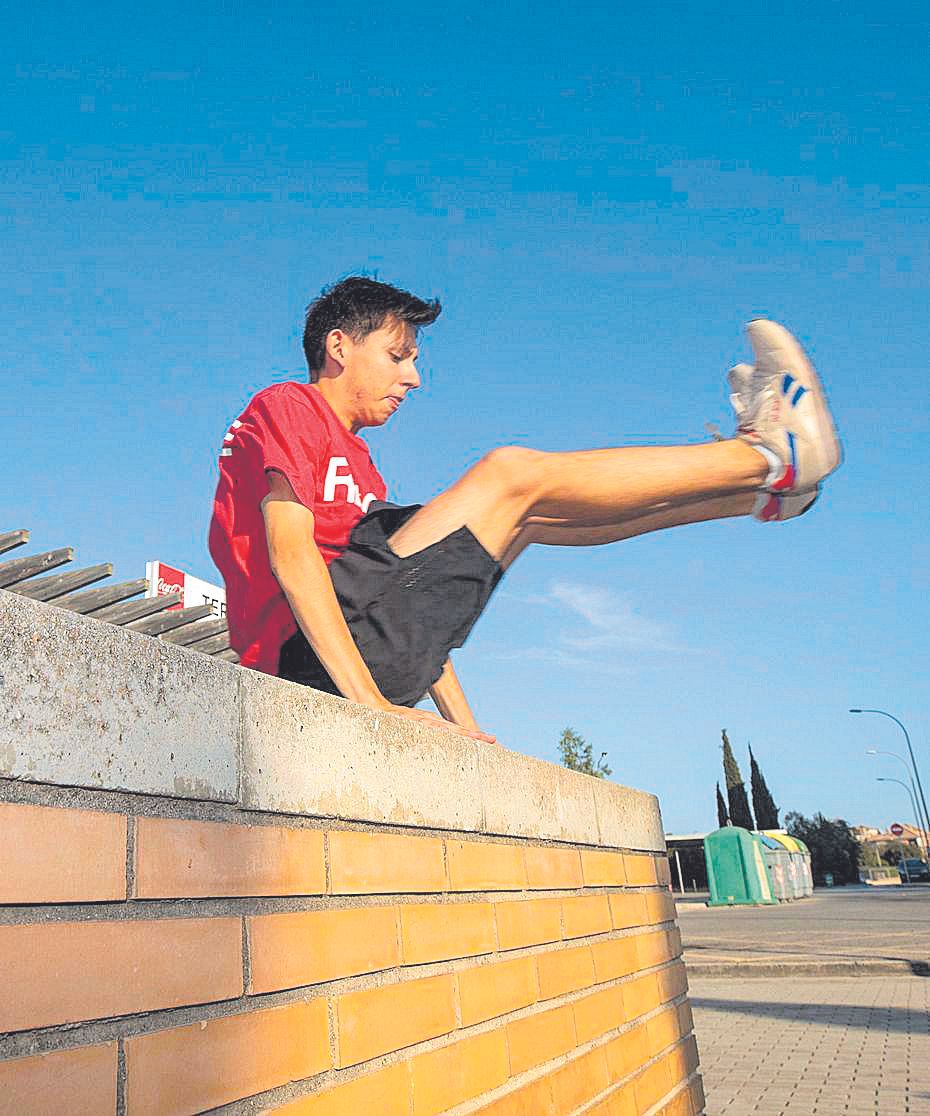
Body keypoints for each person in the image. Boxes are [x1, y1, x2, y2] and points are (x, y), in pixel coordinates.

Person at [209, 276, 841, 744]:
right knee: (510, 473)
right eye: (399, 356)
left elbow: (409, 603)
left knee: (533, 518)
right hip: (303, 666)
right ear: (340, 346)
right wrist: (370, 704)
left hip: (354, 649)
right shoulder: (291, 405)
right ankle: (767, 456)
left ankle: (759, 497)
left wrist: (468, 729)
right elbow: (291, 554)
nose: (414, 380)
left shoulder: (363, 467)